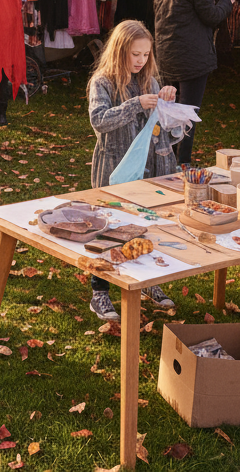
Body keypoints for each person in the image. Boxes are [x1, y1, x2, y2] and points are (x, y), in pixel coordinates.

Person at [87, 20, 179, 321]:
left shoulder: (149, 81)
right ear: (119, 51)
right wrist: (135, 104)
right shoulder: (102, 82)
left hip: (150, 168)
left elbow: (168, 131)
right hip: (115, 168)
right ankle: (100, 290)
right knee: (110, 228)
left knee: (147, 224)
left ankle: (148, 281)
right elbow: (99, 121)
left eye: (145, 55)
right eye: (134, 54)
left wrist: (168, 107)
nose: (140, 61)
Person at [153, 0, 235, 165]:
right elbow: (211, 15)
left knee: (170, 114)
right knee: (187, 115)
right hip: (192, 59)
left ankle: (166, 161)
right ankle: (183, 164)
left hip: (167, 55)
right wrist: (227, 0)